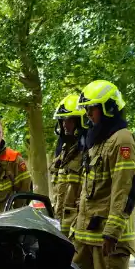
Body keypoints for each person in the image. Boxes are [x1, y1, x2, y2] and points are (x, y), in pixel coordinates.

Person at [72, 80, 135, 269]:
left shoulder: (122, 140)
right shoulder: (100, 140)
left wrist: (112, 231)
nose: (88, 115)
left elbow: (124, 190)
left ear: (110, 108)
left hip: (109, 235)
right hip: (88, 234)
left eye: (93, 109)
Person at [50, 94, 86, 237]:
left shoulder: (87, 152)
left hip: (77, 227)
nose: (65, 124)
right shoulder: (63, 152)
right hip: (60, 225)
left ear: (80, 121)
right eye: (63, 120)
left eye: (69, 120)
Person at [0, 118, 32, 212]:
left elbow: (25, 192)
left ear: (2, 134)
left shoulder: (14, 160)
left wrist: (14, 216)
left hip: (3, 221)